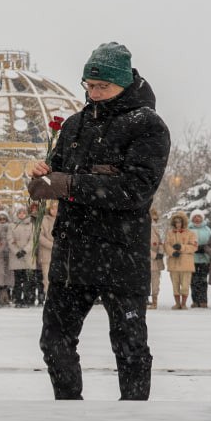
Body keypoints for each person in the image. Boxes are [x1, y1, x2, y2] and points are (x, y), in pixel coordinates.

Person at [27, 42, 170, 401]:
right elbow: (52, 180)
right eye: (88, 86)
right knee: (54, 339)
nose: (93, 93)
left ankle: (134, 414)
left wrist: (70, 184)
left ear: (124, 82)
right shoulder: (75, 125)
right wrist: (39, 177)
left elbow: (135, 190)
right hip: (73, 250)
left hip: (122, 252)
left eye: (101, 87)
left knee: (129, 344)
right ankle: (69, 408)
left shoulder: (147, 126)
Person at [164, 212, 198, 309]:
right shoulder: (169, 233)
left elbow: (194, 247)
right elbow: (166, 245)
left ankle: (183, 304)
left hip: (186, 264)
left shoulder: (191, 234)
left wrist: (182, 247)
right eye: (176, 222)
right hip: (173, 263)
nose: (177, 224)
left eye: (179, 222)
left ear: (183, 223)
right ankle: (177, 303)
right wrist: (172, 252)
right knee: (175, 285)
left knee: (185, 285)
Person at [8, 204, 37, 307]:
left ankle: (26, 300)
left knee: (27, 282)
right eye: (19, 213)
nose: (21, 215)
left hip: (28, 257)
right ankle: (18, 300)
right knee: (17, 282)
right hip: (16, 257)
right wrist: (17, 251)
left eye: (23, 213)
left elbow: (33, 240)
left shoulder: (31, 225)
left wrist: (25, 250)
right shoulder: (12, 226)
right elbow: (10, 240)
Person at [188, 210, 211, 308]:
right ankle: (195, 300)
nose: (197, 219)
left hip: (204, 259)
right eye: (195, 217)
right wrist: (193, 248)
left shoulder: (207, 230)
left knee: (203, 281)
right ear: (192, 218)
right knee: (193, 281)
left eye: (199, 217)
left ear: (202, 218)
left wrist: (204, 248)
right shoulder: (188, 229)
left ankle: (203, 301)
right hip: (191, 259)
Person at [38, 201, 57, 303]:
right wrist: (53, 245)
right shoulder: (44, 220)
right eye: (53, 208)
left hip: (61, 255)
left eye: (57, 208)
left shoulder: (63, 220)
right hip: (47, 255)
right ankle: (49, 298)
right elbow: (40, 237)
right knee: (47, 278)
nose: (55, 210)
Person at [147, 208, 164, 309]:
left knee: (156, 282)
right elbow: (143, 246)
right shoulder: (146, 229)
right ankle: (146, 300)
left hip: (157, 261)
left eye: (156, 218)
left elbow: (161, 242)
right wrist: (154, 255)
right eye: (153, 218)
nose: (155, 220)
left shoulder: (158, 229)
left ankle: (155, 301)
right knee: (148, 282)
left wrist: (161, 252)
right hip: (148, 260)